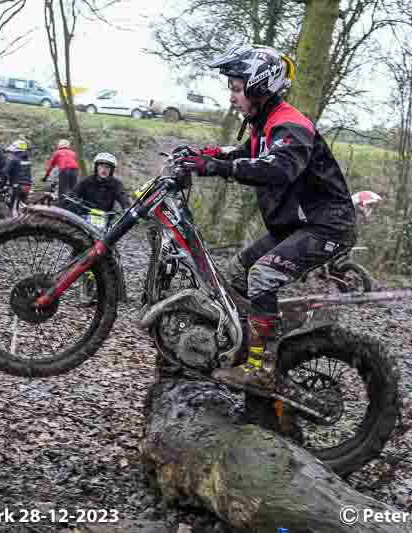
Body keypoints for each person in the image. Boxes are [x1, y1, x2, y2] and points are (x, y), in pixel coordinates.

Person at [173, 44, 357, 393]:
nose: (232, 98)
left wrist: (216, 167)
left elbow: (278, 168)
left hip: (326, 225)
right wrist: (200, 156)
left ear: (260, 86)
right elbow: (242, 153)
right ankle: (251, 341)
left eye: (236, 88)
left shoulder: (291, 125)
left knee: (263, 273)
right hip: (297, 226)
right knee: (236, 273)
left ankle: (262, 366)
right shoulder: (263, 124)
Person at [61, 152, 130, 212]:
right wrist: (66, 201)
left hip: (106, 218)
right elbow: (74, 193)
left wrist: (127, 208)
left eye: (107, 167)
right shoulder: (87, 181)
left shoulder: (116, 184)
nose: (104, 170)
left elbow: (123, 197)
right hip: (84, 216)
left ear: (111, 170)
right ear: (96, 167)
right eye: (101, 166)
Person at [2, 139, 33, 214]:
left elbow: (5, 172)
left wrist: (2, 180)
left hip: (17, 186)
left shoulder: (12, 159)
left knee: (12, 208)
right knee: (21, 206)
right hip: (27, 186)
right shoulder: (27, 160)